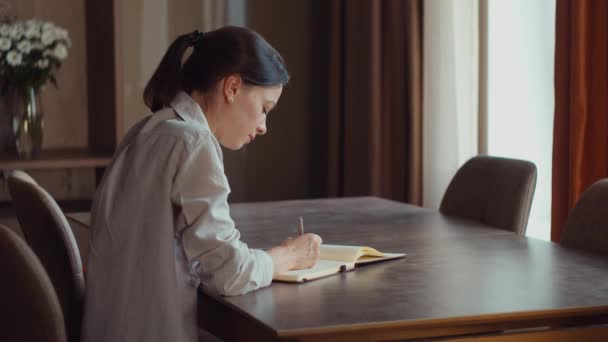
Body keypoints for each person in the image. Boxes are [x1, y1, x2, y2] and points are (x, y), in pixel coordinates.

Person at [81, 26, 322, 342]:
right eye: (264, 109)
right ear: (233, 87)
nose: (263, 126)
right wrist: (287, 256)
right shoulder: (193, 143)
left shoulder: (148, 129)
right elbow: (229, 274)